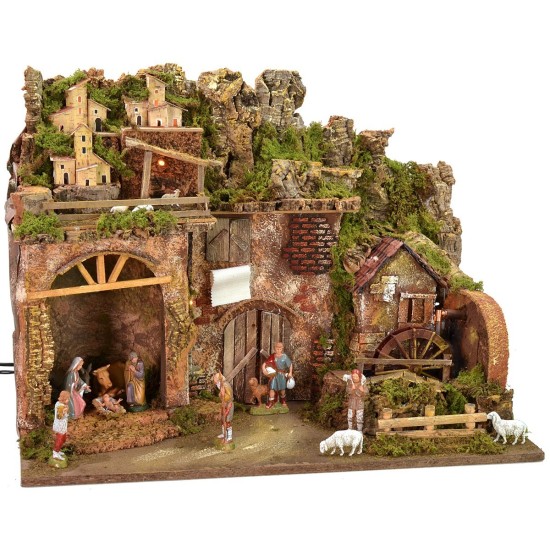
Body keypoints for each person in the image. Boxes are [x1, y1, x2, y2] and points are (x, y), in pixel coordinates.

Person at [262, 342, 293, 409]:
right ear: (275, 349)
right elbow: (265, 363)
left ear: (282, 349)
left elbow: (290, 364)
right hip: (274, 375)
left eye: (280, 348)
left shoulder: (284, 356)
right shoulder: (273, 356)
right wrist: (264, 369)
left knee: (282, 389)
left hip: (281, 375)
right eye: (277, 348)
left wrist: (290, 372)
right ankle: (271, 402)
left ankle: (283, 400)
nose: (278, 350)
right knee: (272, 388)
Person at [213, 372, 234, 443]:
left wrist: (223, 395)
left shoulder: (225, 385)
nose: (214, 381)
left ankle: (229, 437)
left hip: (228, 404)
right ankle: (223, 434)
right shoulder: (220, 385)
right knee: (222, 420)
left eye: (215, 379)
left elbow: (229, 396)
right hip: (224, 404)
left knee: (227, 421)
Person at [52, 390, 70, 460]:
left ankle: (58, 450)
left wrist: (66, 410)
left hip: (63, 425)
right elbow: (59, 417)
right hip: (60, 426)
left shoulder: (60, 404)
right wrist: (65, 411)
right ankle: (55, 452)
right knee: (60, 439)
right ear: (64, 398)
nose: (68, 400)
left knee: (63, 439)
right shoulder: (61, 406)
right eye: (67, 399)